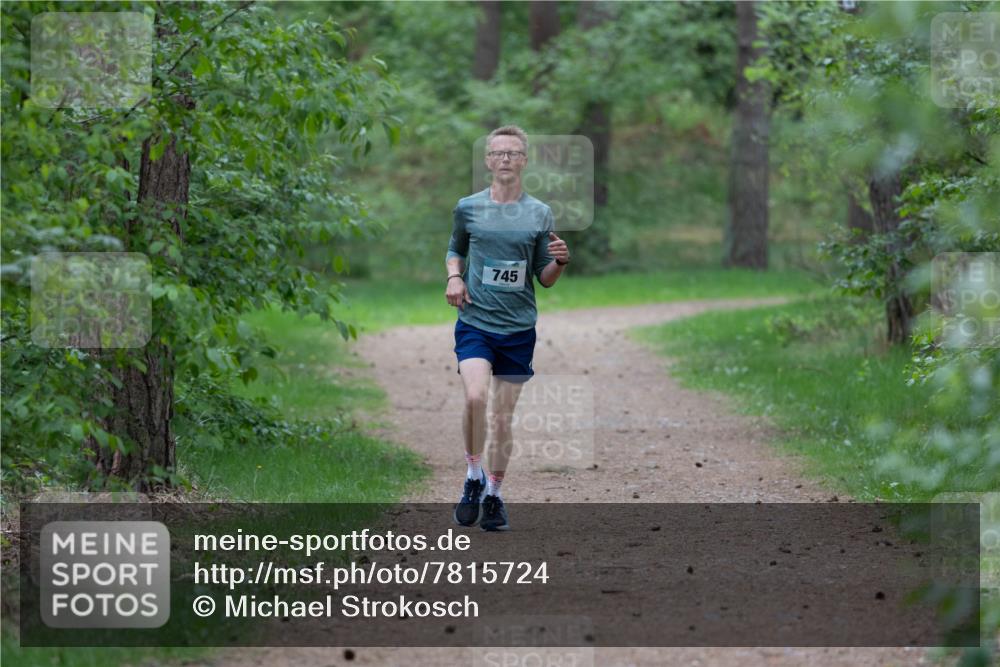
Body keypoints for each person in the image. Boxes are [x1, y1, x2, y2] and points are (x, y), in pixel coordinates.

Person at [444, 125, 570, 531]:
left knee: (501, 418)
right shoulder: (468, 207)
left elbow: (543, 276)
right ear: (487, 160)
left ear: (524, 161)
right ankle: (472, 476)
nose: (504, 159)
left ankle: (494, 496)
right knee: (476, 397)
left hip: (518, 329)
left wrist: (561, 262)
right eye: (497, 153)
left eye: (513, 153)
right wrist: (454, 277)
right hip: (475, 322)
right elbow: (454, 249)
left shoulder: (539, 213)